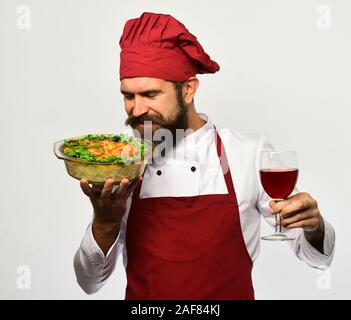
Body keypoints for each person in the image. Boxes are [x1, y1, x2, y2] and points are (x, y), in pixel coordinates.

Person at [74, 12, 335, 300]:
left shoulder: (248, 152)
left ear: (188, 89)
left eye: (150, 95)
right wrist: (105, 222)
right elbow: (89, 283)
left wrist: (314, 226)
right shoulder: (125, 162)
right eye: (128, 96)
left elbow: (318, 259)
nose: (136, 110)